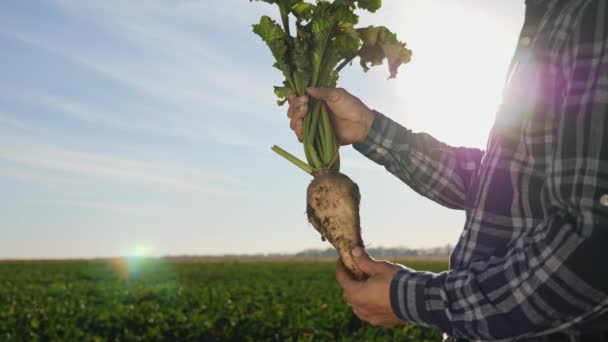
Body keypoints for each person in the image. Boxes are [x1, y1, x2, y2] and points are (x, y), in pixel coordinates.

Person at [287, 0, 608, 341]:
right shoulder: (550, 18)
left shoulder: (593, 15)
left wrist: (412, 299)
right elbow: (502, 184)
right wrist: (368, 128)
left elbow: (590, 252)